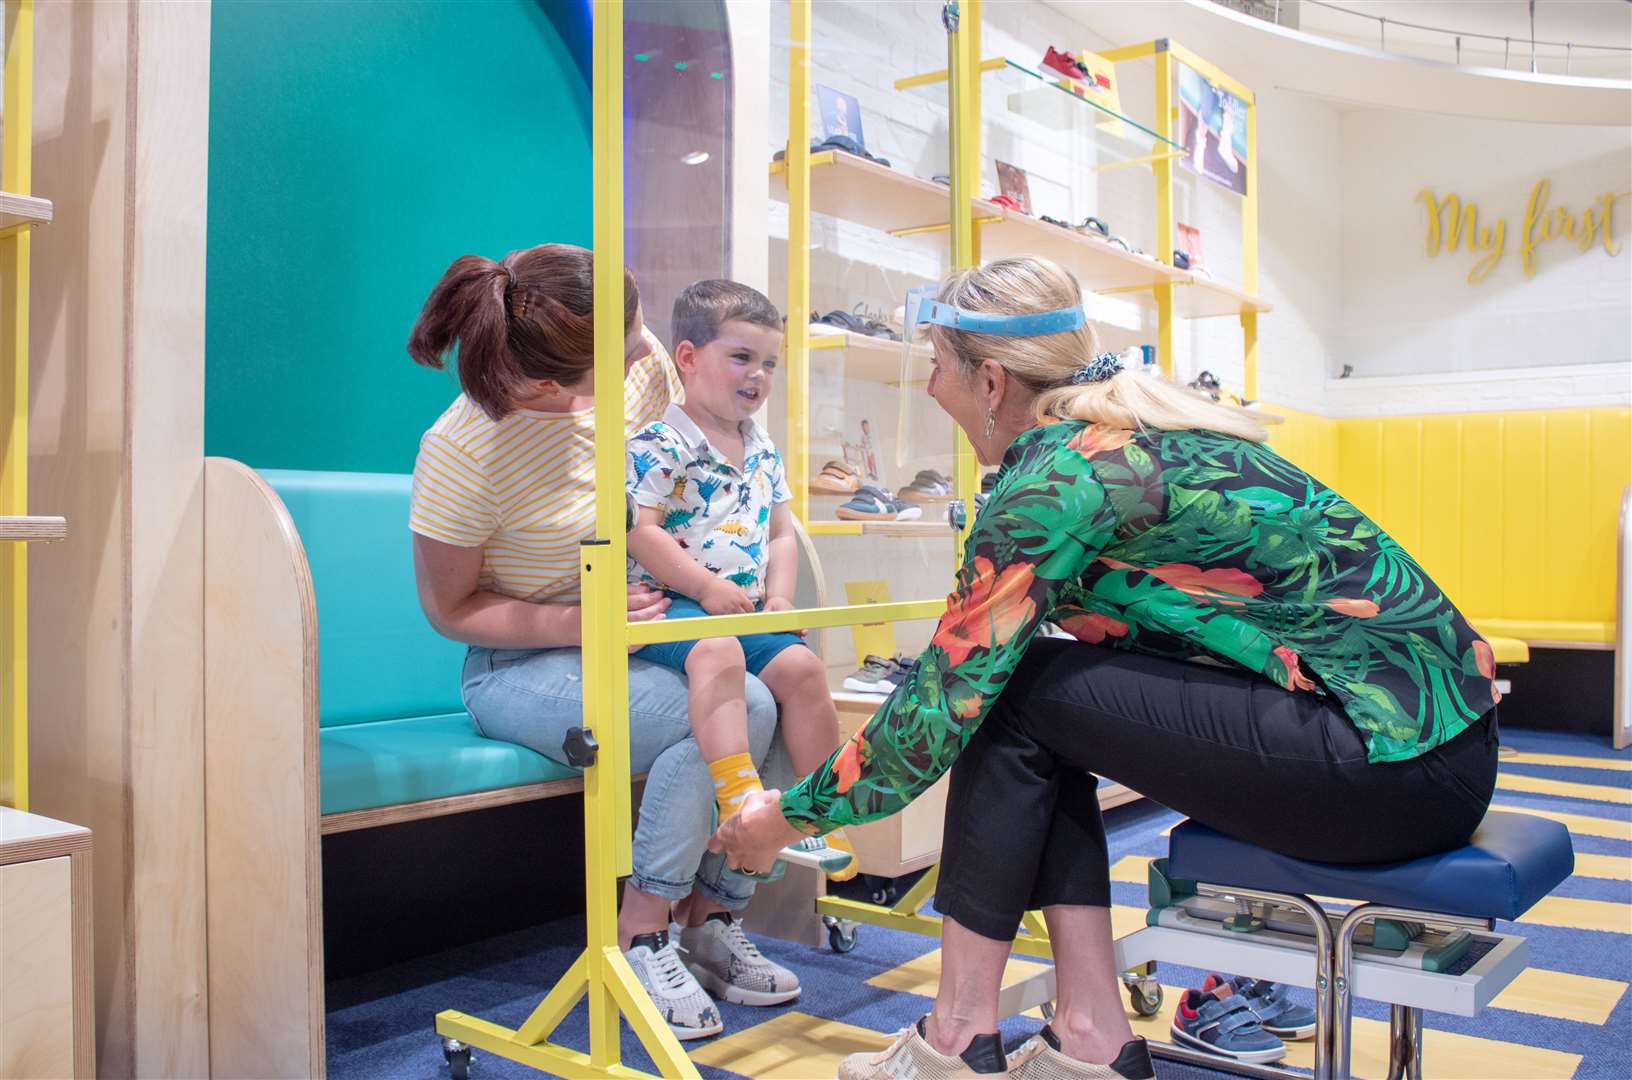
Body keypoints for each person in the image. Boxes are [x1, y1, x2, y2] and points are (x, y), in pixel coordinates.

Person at [710, 255, 1502, 1079]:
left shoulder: (1064, 476)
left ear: (988, 381)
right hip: (1423, 749)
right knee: (1028, 698)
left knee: (1004, 694)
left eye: (937, 367)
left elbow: (941, 707)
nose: (928, 389)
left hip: (1391, 772)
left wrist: (785, 819)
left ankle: (956, 1038)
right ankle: (1089, 1036)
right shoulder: (1125, 436)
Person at [406, 244, 801, 1041]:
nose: (646, 355)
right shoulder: (462, 450)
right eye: (625, 352)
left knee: (770, 691)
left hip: (633, 633)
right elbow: (450, 610)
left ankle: (711, 919)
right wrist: (578, 621)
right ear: (553, 382)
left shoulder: (634, 362)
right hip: (521, 662)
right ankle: (642, 933)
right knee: (721, 713)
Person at [626, 280, 857, 881]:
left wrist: (779, 597)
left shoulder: (763, 447)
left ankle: (811, 814)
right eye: (741, 357)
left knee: (804, 668)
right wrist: (702, 587)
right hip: (672, 608)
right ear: (687, 358)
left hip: (744, 608)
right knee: (719, 651)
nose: (758, 374)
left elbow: (781, 532)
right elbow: (638, 531)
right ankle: (742, 799)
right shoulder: (658, 444)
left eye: (769, 363)